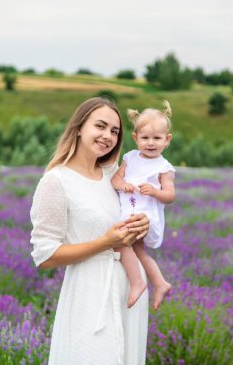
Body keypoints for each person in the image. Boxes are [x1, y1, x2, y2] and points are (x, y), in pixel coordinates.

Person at [30, 97, 150, 365]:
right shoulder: (56, 181)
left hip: (129, 292)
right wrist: (104, 242)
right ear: (79, 127)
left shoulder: (115, 178)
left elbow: (135, 220)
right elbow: (45, 256)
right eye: (101, 126)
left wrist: (144, 224)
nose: (108, 135)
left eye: (115, 131)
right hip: (90, 292)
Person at [111, 100, 175, 311]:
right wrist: (124, 184)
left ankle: (138, 282)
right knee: (138, 251)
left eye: (157, 138)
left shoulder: (163, 167)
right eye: (145, 138)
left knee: (120, 242)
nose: (150, 143)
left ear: (167, 140)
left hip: (144, 217)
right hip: (128, 210)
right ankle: (160, 283)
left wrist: (156, 191)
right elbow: (116, 180)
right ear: (136, 138)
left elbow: (170, 195)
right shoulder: (130, 158)